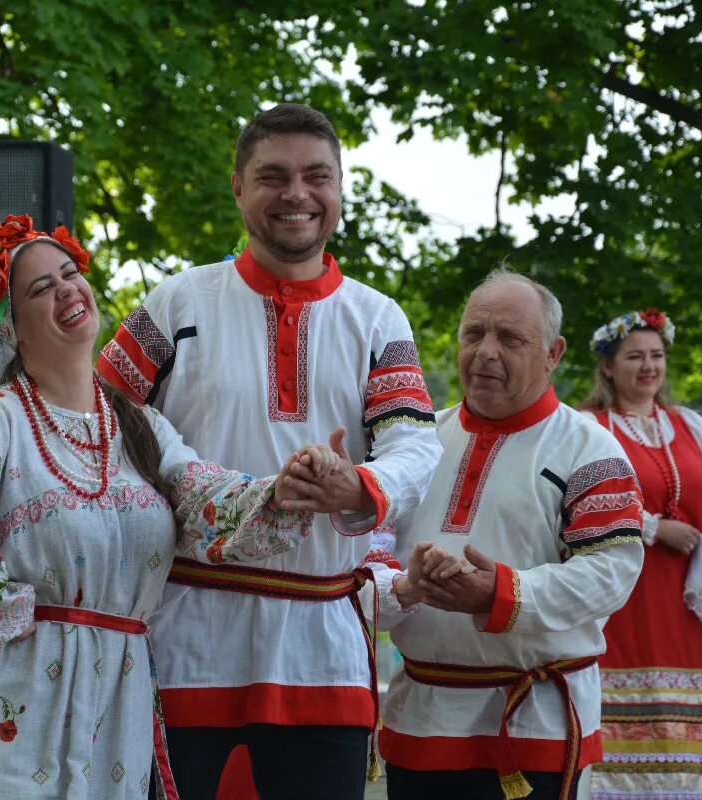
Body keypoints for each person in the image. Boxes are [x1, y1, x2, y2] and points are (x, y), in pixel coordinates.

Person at [0, 215, 327, 799]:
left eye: (70, 274)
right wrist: (9, 613)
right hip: (22, 688)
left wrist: (286, 486)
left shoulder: (139, 424)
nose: (67, 289)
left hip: (118, 692)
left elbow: (204, 496)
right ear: (11, 330)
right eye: (41, 289)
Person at [97, 103, 443, 799]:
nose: (296, 194)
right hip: (188, 633)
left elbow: (414, 443)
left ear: (340, 188)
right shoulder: (177, 302)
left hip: (322, 642)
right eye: (272, 176)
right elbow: (96, 423)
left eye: (316, 176)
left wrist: (358, 486)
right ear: (237, 187)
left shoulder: (377, 317)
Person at [364, 268, 645, 800]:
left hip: (532, 726)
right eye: (474, 334)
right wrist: (407, 585)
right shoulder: (415, 447)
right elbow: (368, 552)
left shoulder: (591, 451)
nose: (486, 351)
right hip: (418, 717)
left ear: (553, 352)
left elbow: (611, 574)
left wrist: (501, 593)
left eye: (510, 338)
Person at [579, 310, 702, 800]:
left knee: (685, 718)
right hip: (623, 592)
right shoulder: (588, 427)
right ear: (608, 366)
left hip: (686, 598)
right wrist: (652, 527)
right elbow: (571, 500)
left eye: (657, 356)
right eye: (635, 356)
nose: (649, 367)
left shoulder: (689, 425)